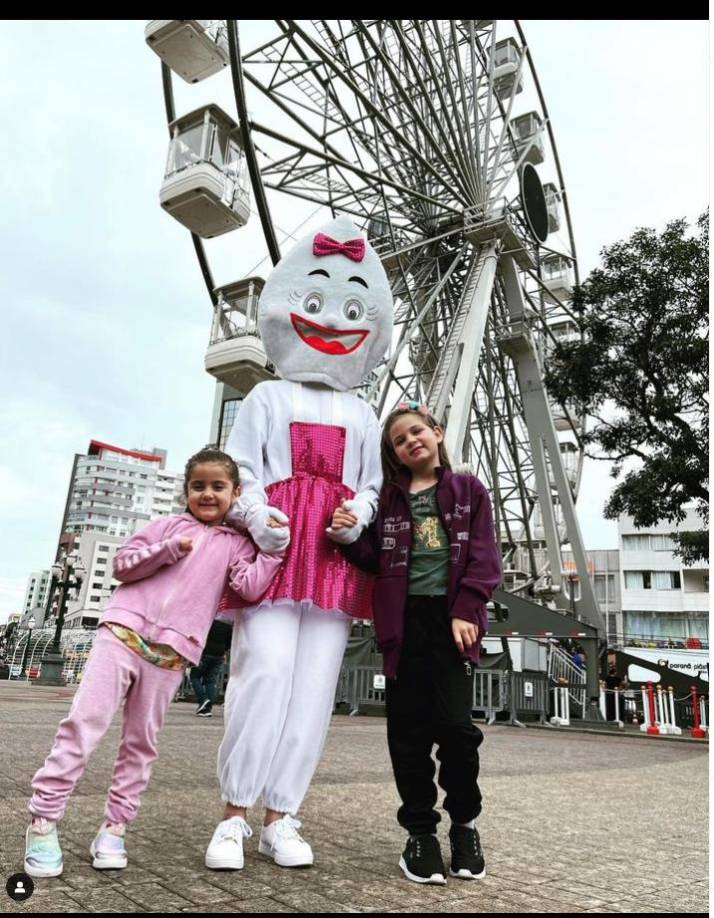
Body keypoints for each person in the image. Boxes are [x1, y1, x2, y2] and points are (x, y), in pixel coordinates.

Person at [205, 215, 393, 872]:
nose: (333, 320)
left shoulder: (364, 413)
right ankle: (234, 812)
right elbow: (240, 470)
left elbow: (373, 484)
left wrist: (359, 513)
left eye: (351, 311)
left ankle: (281, 815)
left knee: (313, 688)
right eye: (314, 303)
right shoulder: (265, 396)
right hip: (278, 554)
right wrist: (256, 516)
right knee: (263, 673)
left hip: (334, 560)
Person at [23, 448, 283, 879]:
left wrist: (272, 554)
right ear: (186, 490)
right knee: (83, 725)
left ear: (236, 493)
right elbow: (121, 566)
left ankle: (114, 828)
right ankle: (43, 820)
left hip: (170, 655)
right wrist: (166, 550)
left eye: (218, 486)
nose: (207, 493)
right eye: (198, 486)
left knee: (141, 744)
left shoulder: (237, 545)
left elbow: (249, 588)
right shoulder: (166, 526)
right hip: (121, 633)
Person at [333, 401, 502, 885]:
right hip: (402, 623)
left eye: (416, 432)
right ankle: (421, 835)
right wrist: (347, 536)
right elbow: (374, 558)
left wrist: (466, 607)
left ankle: (464, 825)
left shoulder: (468, 489)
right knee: (407, 735)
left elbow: (485, 557)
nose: (410, 442)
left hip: (451, 621)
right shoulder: (388, 499)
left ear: (437, 432)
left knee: (456, 731)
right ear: (394, 455)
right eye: (399, 441)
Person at [191, 619, 232, 717]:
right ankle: (207, 709)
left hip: (205, 653)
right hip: (219, 655)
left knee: (194, 677)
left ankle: (203, 700)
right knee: (210, 681)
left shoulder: (208, 622)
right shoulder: (228, 624)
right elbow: (229, 642)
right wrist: (223, 649)